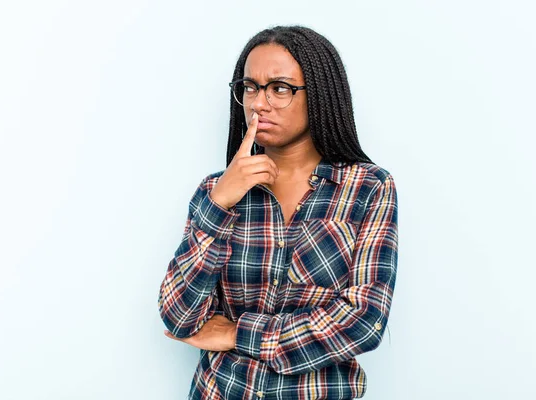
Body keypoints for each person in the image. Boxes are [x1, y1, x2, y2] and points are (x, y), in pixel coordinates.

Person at [158, 25, 399, 400]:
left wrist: (239, 333)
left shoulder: (368, 188)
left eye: (280, 89)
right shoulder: (215, 192)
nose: (258, 103)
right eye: (250, 87)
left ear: (319, 95)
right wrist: (220, 205)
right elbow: (180, 317)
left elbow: (362, 322)